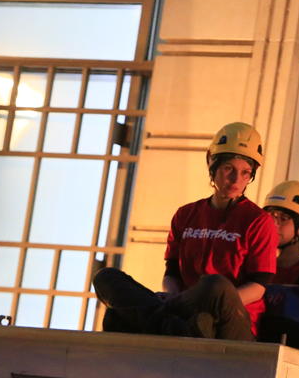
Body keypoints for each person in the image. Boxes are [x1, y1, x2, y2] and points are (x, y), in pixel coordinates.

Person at [93, 122, 277, 340]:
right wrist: (175, 298)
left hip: (230, 317)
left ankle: (161, 321)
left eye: (245, 173)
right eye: (229, 169)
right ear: (211, 162)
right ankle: (174, 326)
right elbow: (171, 274)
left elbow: (258, 286)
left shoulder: (259, 221)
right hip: (187, 310)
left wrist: (202, 300)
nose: (237, 180)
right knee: (107, 277)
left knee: (215, 285)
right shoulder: (185, 214)